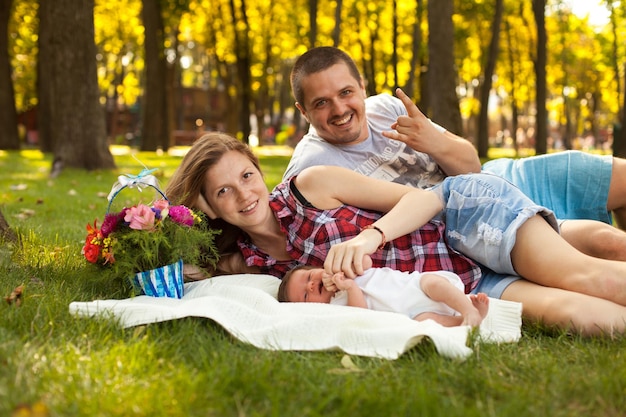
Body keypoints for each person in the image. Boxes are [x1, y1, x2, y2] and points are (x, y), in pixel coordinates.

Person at [166, 132, 626, 336]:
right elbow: (172, 270)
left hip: (465, 225)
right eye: (223, 191)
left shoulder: (311, 186)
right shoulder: (250, 261)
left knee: (590, 278)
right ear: (208, 206)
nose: (244, 195)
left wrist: (370, 238)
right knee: (582, 317)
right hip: (462, 287)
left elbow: (429, 198)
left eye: (247, 176)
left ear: (257, 169)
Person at [284, 46, 626, 261]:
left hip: (498, 176)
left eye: (346, 92)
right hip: (477, 221)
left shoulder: (387, 108)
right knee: (608, 245)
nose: (340, 109)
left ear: (362, 87)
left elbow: (471, 164)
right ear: (303, 111)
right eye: (321, 103)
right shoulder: (312, 168)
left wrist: (433, 141)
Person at [277, 264, 490, 328]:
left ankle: (467, 308)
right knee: (427, 322)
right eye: (306, 295)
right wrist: (350, 288)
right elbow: (361, 316)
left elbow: (366, 260)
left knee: (433, 283)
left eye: (308, 277)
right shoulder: (336, 308)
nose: (312, 285)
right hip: (414, 313)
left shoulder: (343, 269)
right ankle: (464, 321)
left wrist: (344, 273)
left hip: (415, 286)